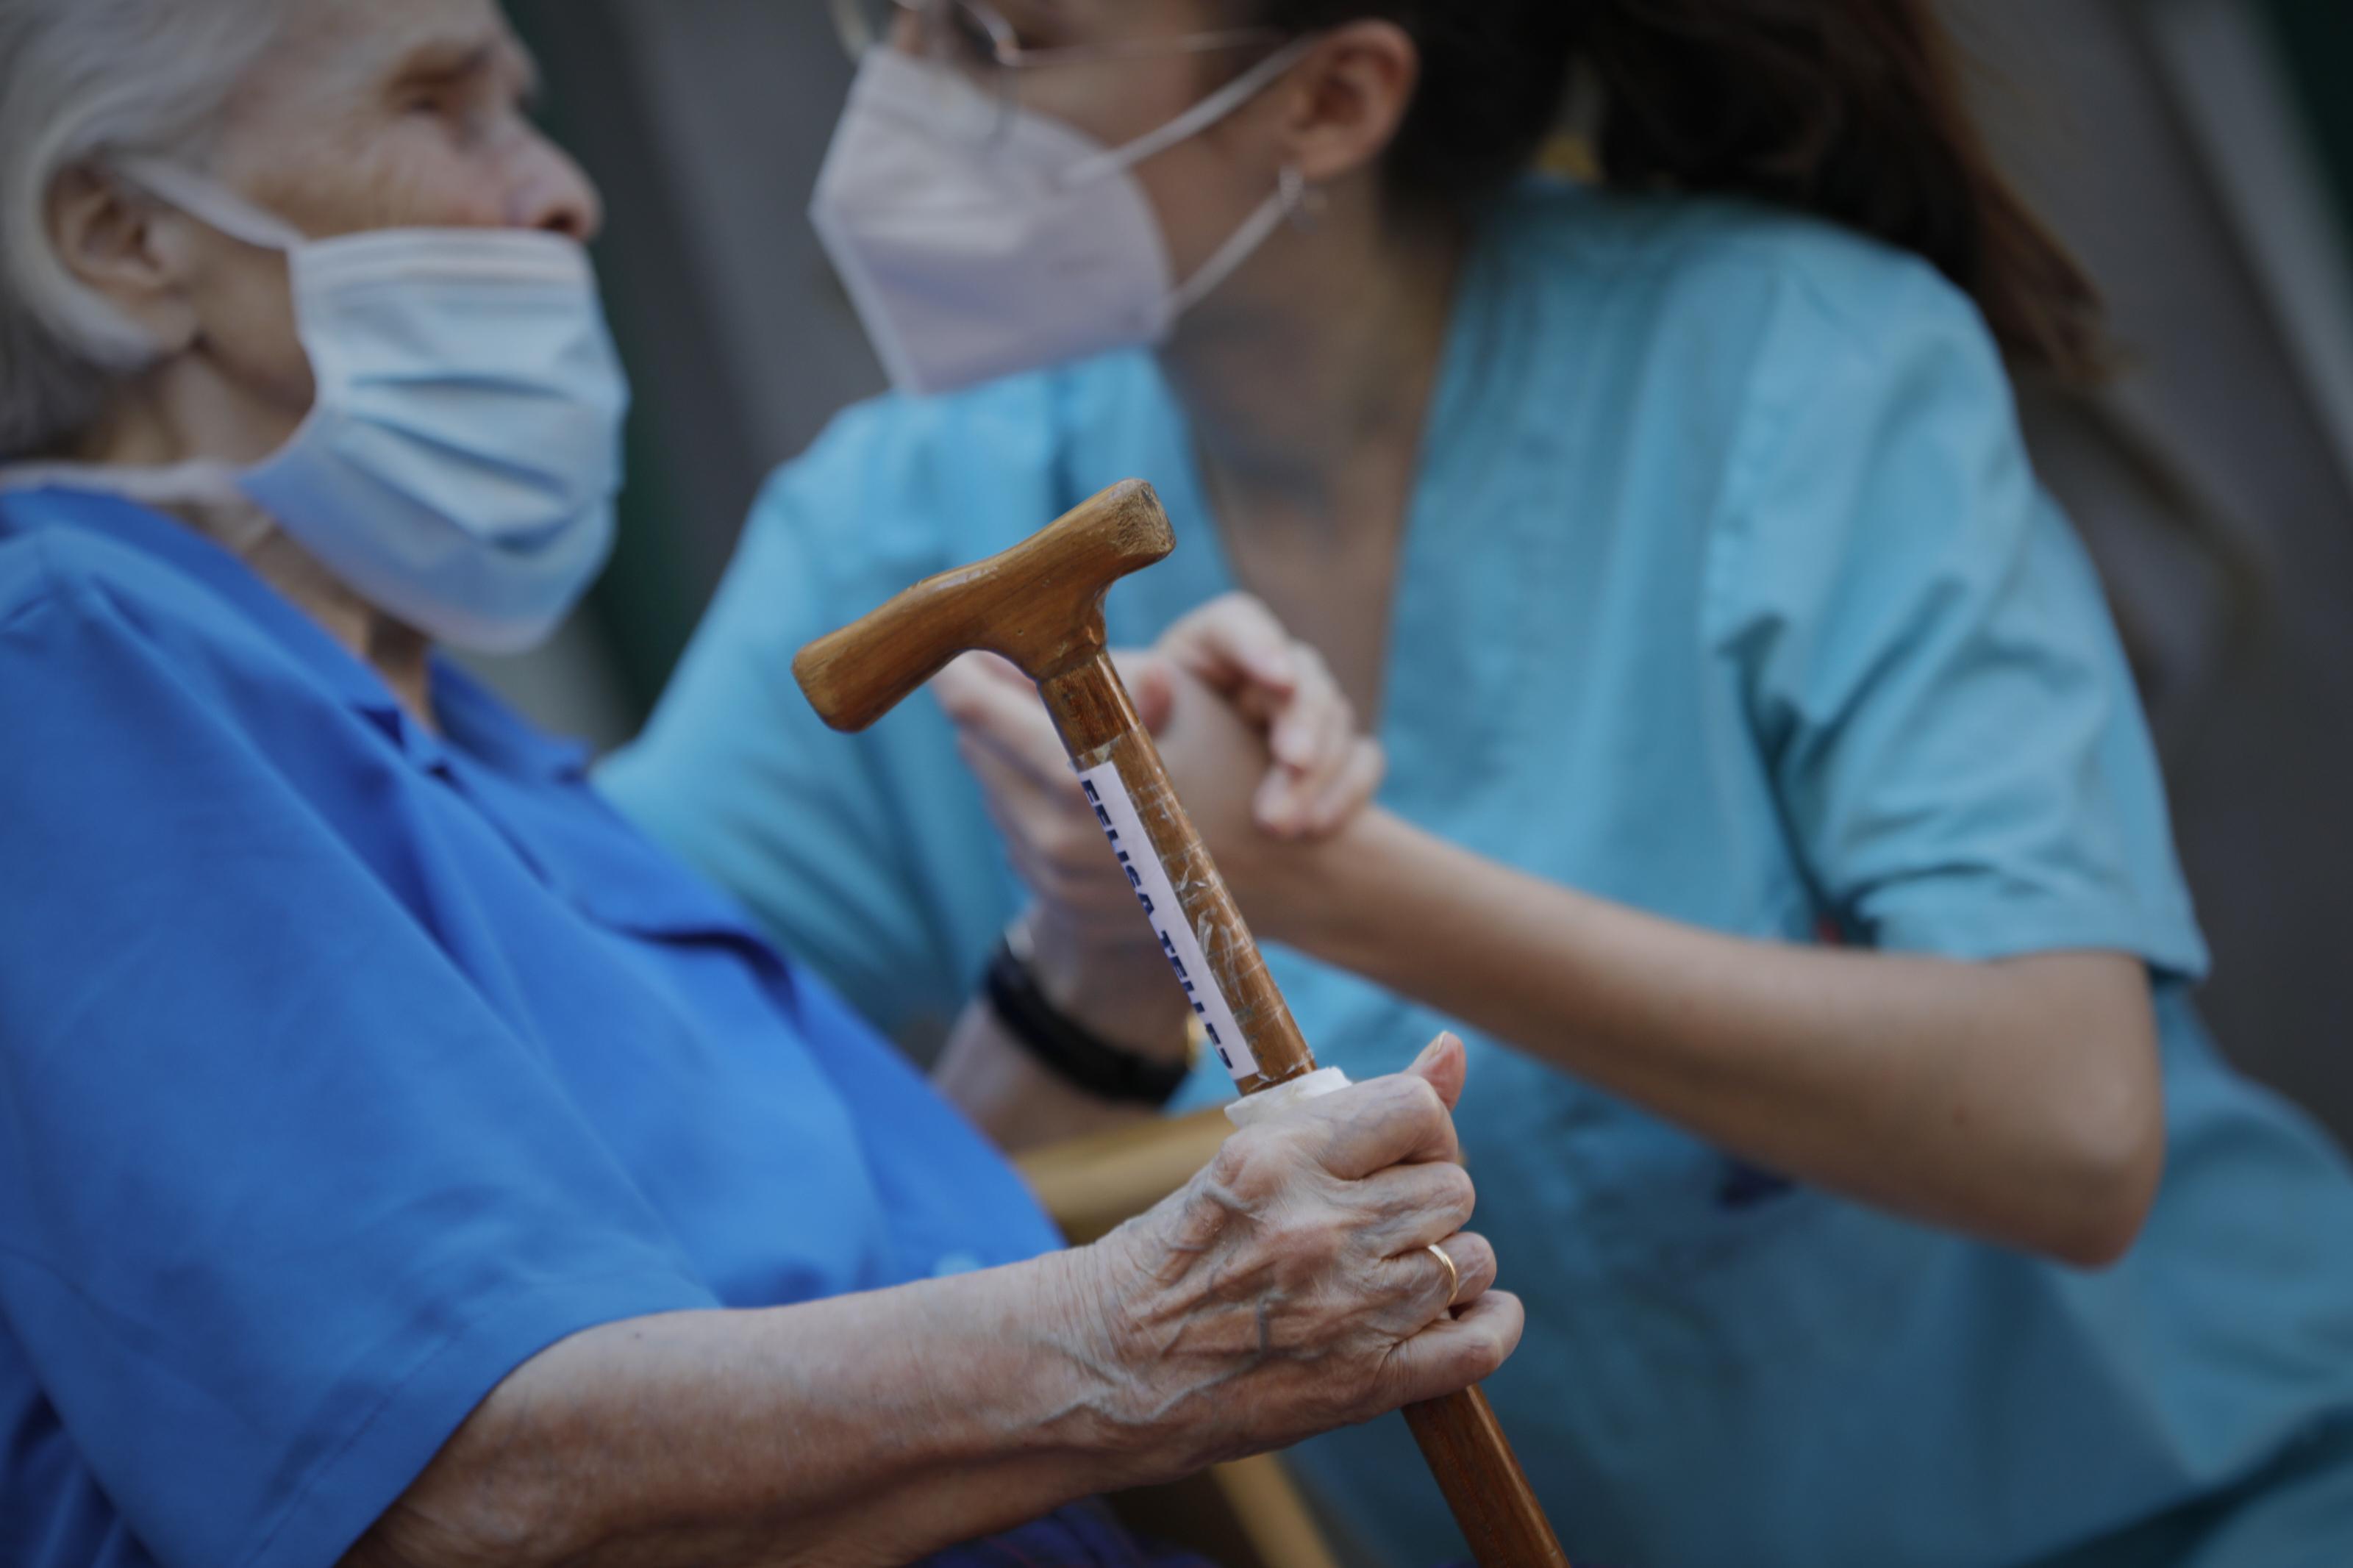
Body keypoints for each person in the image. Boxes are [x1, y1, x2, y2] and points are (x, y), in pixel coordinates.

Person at [603, 1, 2353, 1564]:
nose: (895, 107)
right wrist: (1080, 979)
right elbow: (635, 1193)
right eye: (888, 17)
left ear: (1333, 97)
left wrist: (1308, 875)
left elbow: (2068, 1123)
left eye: (996, 39)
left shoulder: (1789, 363)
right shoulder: (904, 531)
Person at [0, 4, 1526, 1566]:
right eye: (442, 105)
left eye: (532, 108)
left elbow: (830, 1293)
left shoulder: (477, 763)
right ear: (122, 236)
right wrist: (1143, 1335)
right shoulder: (53, 661)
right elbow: (447, 1482)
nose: (562, 190)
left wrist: (1097, 960)